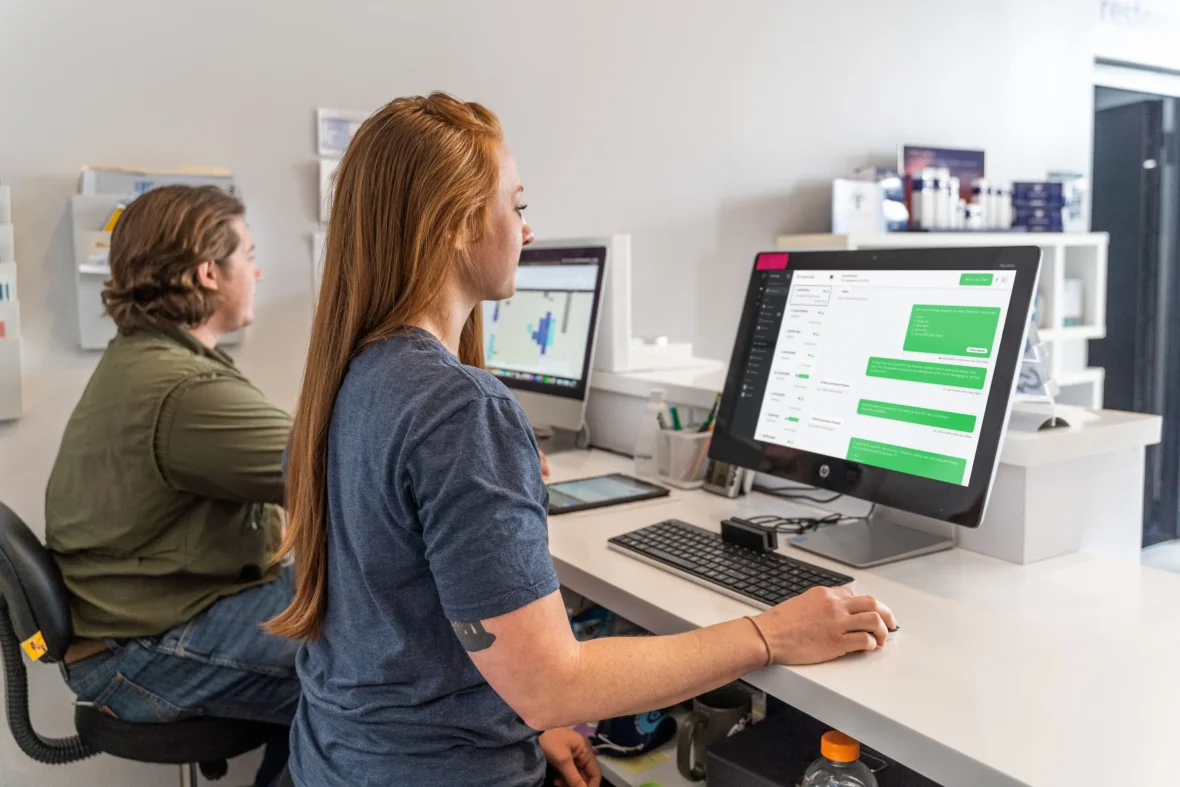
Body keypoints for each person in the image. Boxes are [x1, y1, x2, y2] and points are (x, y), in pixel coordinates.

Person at [269, 93, 896, 787]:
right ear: (457, 223)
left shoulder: (349, 377)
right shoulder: (458, 408)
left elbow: (412, 628)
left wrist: (532, 713)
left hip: (334, 760)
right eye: (518, 205)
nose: (527, 231)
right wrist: (769, 634)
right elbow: (554, 683)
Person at [45, 185, 297, 787]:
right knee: (379, 671)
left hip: (139, 623)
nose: (258, 272)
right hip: (142, 652)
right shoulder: (183, 391)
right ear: (209, 272)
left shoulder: (145, 360)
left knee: (355, 624)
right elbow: (338, 463)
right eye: (249, 255)